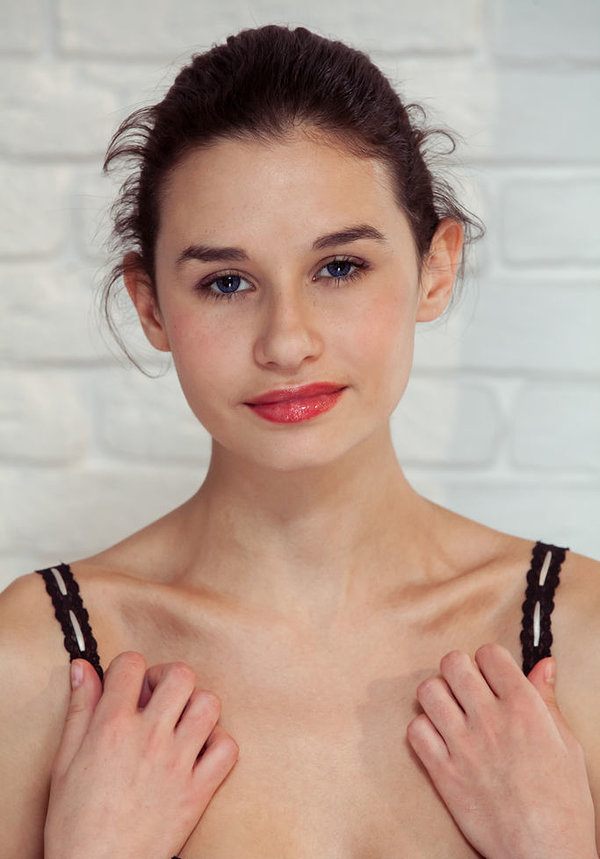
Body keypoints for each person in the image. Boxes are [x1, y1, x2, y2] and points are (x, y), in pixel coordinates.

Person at [0, 23, 598, 859]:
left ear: (436, 267)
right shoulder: (36, 659)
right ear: (150, 304)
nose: (287, 341)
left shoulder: (580, 633)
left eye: (339, 267)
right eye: (226, 282)